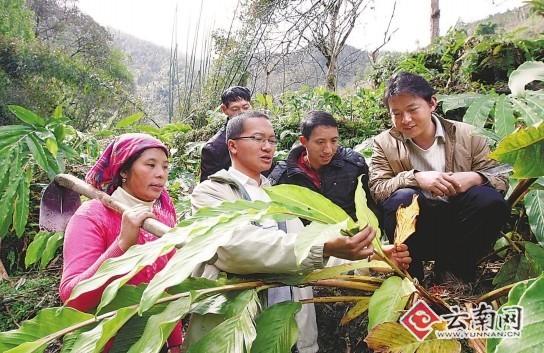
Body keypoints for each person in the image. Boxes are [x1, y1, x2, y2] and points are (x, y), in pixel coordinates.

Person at [189, 112, 410, 353]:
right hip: (240, 332)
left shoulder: (279, 195)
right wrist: (324, 247)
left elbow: (306, 255)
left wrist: (371, 258)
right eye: (257, 138)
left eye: (272, 140)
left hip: (293, 331)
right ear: (232, 145)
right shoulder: (212, 193)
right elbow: (236, 248)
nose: (267, 147)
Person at [369, 72, 509, 282]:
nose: (405, 120)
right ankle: (412, 276)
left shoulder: (468, 135)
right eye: (396, 113)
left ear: (432, 103)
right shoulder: (384, 143)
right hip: (419, 230)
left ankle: (454, 272)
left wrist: (474, 177)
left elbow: (501, 178)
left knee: (489, 200)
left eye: (412, 110)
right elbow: (377, 189)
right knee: (401, 199)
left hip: (461, 224)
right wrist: (415, 178)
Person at [59, 133, 182, 353]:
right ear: (124, 171)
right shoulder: (92, 216)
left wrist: (174, 343)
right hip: (104, 342)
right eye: (150, 165)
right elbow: (72, 297)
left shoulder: (163, 218)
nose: (160, 174)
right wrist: (122, 244)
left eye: (164, 166)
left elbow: (166, 291)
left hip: (154, 343)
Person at [269, 111, 376, 222]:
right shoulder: (284, 177)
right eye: (320, 142)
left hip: (353, 235)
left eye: (334, 141)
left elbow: (371, 208)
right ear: (303, 141)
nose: (328, 150)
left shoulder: (354, 165)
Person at [199, 86, 252, 182]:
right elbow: (207, 189)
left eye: (245, 107)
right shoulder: (214, 149)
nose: (242, 113)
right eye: (235, 109)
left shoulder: (261, 135)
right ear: (224, 109)